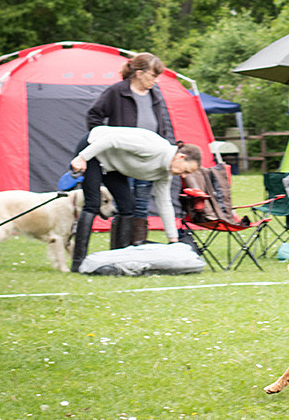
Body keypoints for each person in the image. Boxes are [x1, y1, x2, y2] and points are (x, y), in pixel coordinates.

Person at [69, 126, 202, 273]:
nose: (184, 176)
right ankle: (78, 263)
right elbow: (111, 140)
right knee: (93, 204)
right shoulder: (154, 147)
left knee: (128, 206)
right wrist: (82, 158)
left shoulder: (165, 174)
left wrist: (173, 240)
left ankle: (116, 258)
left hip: (112, 164)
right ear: (181, 157)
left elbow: (164, 204)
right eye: (186, 170)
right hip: (93, 147)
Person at [86, 52, 175, 248]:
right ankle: (118, 248)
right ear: (139, 72)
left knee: (142, 204)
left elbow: (162, 128)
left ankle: (136, 245)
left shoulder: (155, 95)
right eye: (153, 75)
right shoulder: (117, 91)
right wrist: (105, 143)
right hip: (121, 160)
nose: (155, 80)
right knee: (123, 203)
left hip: (148, 159)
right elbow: (94, 117)